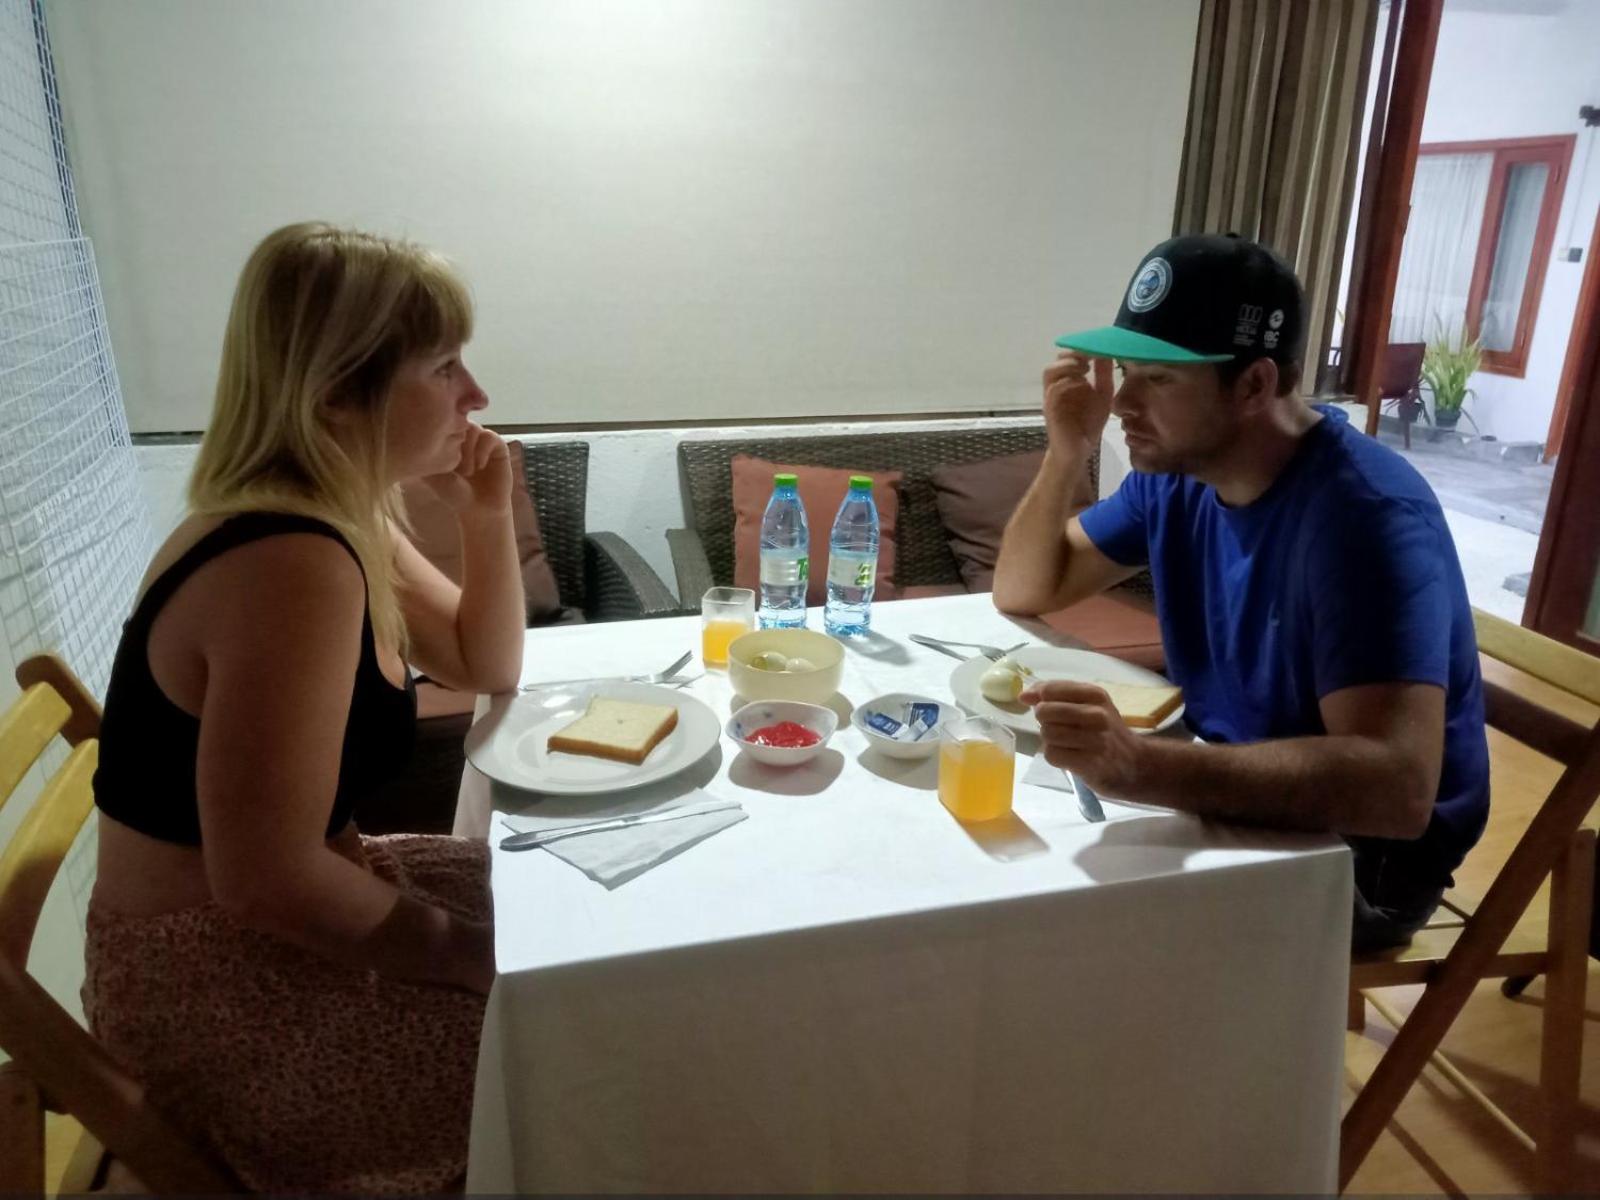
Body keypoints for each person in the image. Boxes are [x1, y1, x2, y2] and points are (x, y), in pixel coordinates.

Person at [84, 222, 526, 1192]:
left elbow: (486, 662)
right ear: (335, 392)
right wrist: (470, 960)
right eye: (443, 366)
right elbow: (268, 882)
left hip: (279, 915)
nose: (476, 396)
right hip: (218, 986)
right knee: (567, 1052)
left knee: (568, 914)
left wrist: (485, 516)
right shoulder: (288, 561)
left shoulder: (337, 510)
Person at [993, 233, 1489, 954]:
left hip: (1359, 865)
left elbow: (1397, 791)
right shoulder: (1177, 478)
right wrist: (1066, 452)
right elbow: (1022, 588)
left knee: (1052, 935)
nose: (1122, 402)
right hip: (1234, 791)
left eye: (1159, 378)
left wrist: (1142, 767)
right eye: (1126, 371)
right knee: (1006, 869)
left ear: (1255, 384)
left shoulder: (1365, 519)